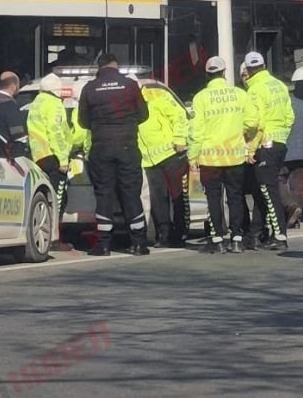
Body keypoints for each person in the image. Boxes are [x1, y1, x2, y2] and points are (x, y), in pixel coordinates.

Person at [77, 53, 150, 257]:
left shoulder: (90, 88)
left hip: (101, 148)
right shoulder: (129, 85)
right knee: (131, 193)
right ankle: (138, 243)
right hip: (127, 147)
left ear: (99, 68)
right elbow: (144, 114)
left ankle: (103, 244)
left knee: (104, 194)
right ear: (115, 66)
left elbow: (83, 121)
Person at [189, 56, 259, 254]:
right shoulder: (239, 94)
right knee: (235, 197)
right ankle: (237, 239)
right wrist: (239, 130)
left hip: (210, 158)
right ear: (224, 72)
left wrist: (192, 157)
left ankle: (218, 239)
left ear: (207, 74)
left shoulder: (201, 98)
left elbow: (196, 131)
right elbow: (253, 121)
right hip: (235, 156)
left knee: (213, 198)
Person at [241, 52, 295, 251]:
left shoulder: (254, 90)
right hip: (280, 142)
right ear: (264, 65)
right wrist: (282, 135)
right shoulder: (279, 85)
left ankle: (280, 235)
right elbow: (290, 116)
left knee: (267, 190)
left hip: (265, 144)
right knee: (262, 189)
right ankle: (258, 232)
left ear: (247, 69)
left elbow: (254, 123)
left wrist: (250, 147)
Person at [138, 79, 190, 247]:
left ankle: (180, 232)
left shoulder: (158, 96)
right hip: (148, 159)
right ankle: (164, 234)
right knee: (157, 197)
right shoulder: (128, 106)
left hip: (171, 153)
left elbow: (180, 116)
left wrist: (180, 139)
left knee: (177, 195)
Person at [26, 73, 73, 251]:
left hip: (38, 155)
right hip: (53, 156)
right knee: (58, 199)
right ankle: (54, 239)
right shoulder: (54, 104)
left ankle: (46, 235)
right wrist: (63, 159)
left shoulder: (36, 102)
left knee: (46, 198)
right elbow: (56, 133)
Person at [281, 84, 303, 229]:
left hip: (284, 151)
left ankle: (290, 206)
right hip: (301, 152)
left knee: (279, 181)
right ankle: (296, 220)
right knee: (297, 186)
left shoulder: (280, 107)